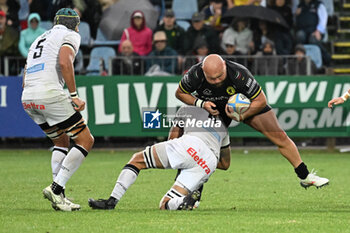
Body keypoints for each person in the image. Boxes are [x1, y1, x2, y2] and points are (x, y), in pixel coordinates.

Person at [176, 54, 329, 189]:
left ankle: (305, 176)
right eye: (212, 78)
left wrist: (242, 115)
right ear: (203, 72)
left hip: (245, 107)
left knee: (279, 136)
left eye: (219, 76)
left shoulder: (239, 73)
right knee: (216, 159)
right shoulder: (195, 74)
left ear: (224, 65)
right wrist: (202, 104)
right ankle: (192, 188)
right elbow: (180, 93)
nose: (216, 81)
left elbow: (261, 100)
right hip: (212, 109)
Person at [88, 105, 231, 210]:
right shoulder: (224, 128)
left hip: (191, 143)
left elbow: (172, 139)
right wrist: (197, 161)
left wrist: (186, 159)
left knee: (137, 160)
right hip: (209, 163)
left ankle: (111, 202)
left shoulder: (187, 109)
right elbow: (225, 164)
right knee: (165, 204)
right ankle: (184, 201)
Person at [21, 8, 94, 211]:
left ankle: (59, 196)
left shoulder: (38, 38)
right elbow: (64, 61)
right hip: (49, 93)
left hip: (27, 96)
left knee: (61, 140)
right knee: (86, 140)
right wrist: (73, 95)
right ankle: (56, 188)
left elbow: (26, 73)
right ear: (75, 24)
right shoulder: (70, 35)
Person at [0, 10, 20, 75]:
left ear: (5, 19)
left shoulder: (12, 32)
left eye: (1, 18)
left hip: (8, 59)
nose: (0, 21)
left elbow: (15, 48)